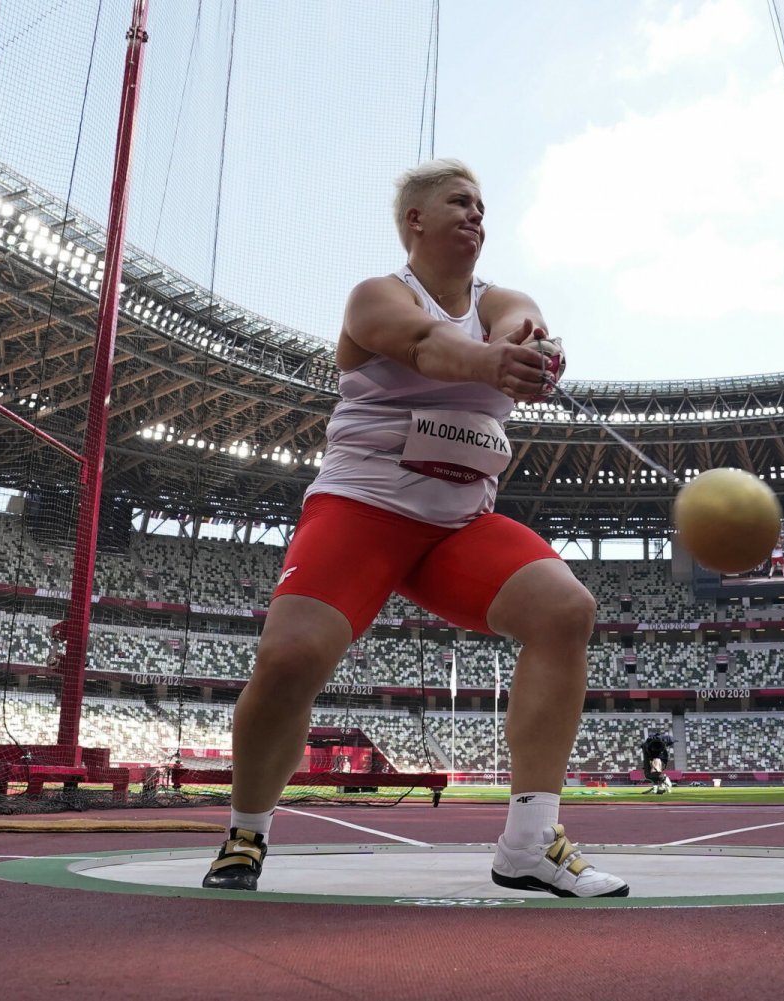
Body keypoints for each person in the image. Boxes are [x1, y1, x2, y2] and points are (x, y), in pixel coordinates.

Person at [203, 159, 626, 898]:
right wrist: (496, 363)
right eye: (458, 203)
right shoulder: (375, 297)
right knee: (291, 656)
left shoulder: (506, 300)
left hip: (460, 524)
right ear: (415, 223)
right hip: (362, 511)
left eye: (482, 206)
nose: (476, 215)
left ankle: (531, 842)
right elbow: (427, 345)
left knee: (567, 608)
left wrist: (528, 346)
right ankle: (247, 831)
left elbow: (518, 323)